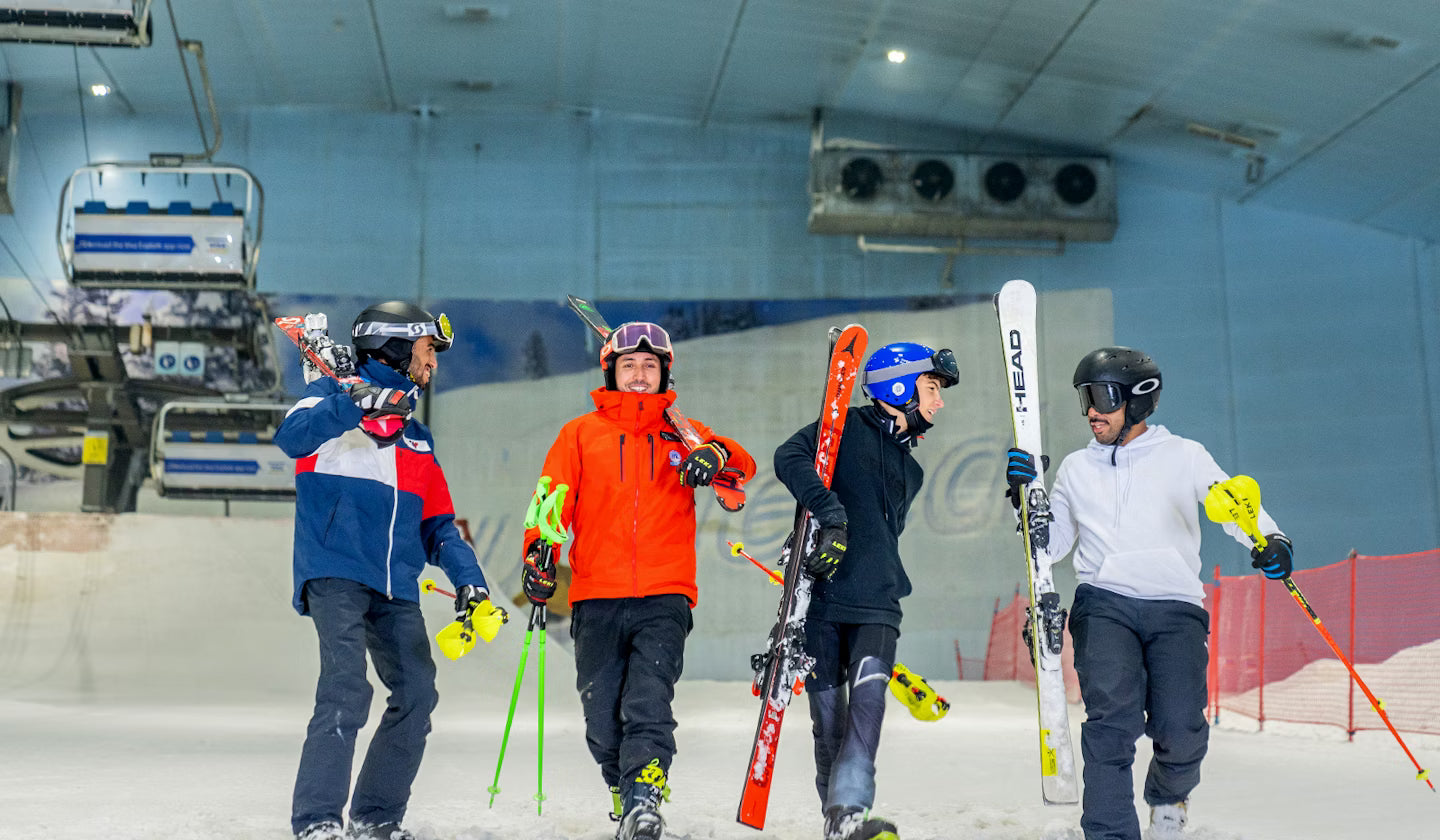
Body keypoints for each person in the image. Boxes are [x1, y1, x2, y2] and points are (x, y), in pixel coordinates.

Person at [1005, 346, 1292, 840]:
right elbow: (1047, 549)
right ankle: (1111, 832)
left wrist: (1270, 540)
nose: (1091, 410)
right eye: (1084, 398)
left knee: (1182, 730)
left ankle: (1167, 795)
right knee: (1111, 725)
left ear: (1138, 401)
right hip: (1104, 604)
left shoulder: (1185, 455)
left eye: (1101, 396)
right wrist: (1023, 498)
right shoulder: (1076, 468)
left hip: (1176, 606)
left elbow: (1233, 505)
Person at [520, 320, 756, 840]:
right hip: (595, 593)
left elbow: (741, 467)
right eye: (630, 365)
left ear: (664, 372)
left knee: (648, 701)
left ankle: (645, 799)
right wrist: (538, 556)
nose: (640, 375)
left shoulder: (685, 433)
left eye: (650, 366)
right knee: (601, 717)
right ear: (612, 371)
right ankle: (623, 790)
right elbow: (550, 501)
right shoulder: (579, 434)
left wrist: (716, 455)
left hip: (665, 594)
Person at [277, 301, 504, 840]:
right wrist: (354, 404)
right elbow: (290, 439)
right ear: (398, 347)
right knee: (345, 687)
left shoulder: (417, 436)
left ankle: (376, 815)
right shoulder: (325, 398)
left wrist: (471, 582)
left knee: (418, 692)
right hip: (334, 572)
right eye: (429, 351)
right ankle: (318, 820)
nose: (434, 364)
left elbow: (440, 527)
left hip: (394, 585)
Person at [774, 341, 957, 840]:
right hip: (821, 601)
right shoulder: (843, 430)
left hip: (878, 602)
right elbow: (788, 457)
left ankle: (851, 810)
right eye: (932, 387)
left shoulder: (912, 471)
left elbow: (884, 536)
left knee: (868, 708)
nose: (938, 401)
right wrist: (830, 515)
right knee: (829, 723)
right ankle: (838, 824)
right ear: (898, 384)